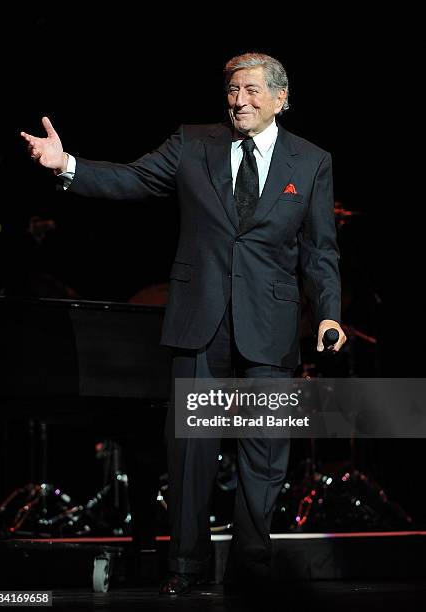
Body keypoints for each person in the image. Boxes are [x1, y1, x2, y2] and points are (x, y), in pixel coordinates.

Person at [21, 52, 347, 596]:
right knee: (192, 456)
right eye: (231, 91)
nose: (237, 101)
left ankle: (251, 568)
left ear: (280, 98)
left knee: (264, 456)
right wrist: (68, 166)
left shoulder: (311, 161)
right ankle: (186, 567)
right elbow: (134, 179)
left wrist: (331, 312)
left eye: (249, 91)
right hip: (201, 324)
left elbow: (320, 249)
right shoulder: (194, 143)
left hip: (269, 327)